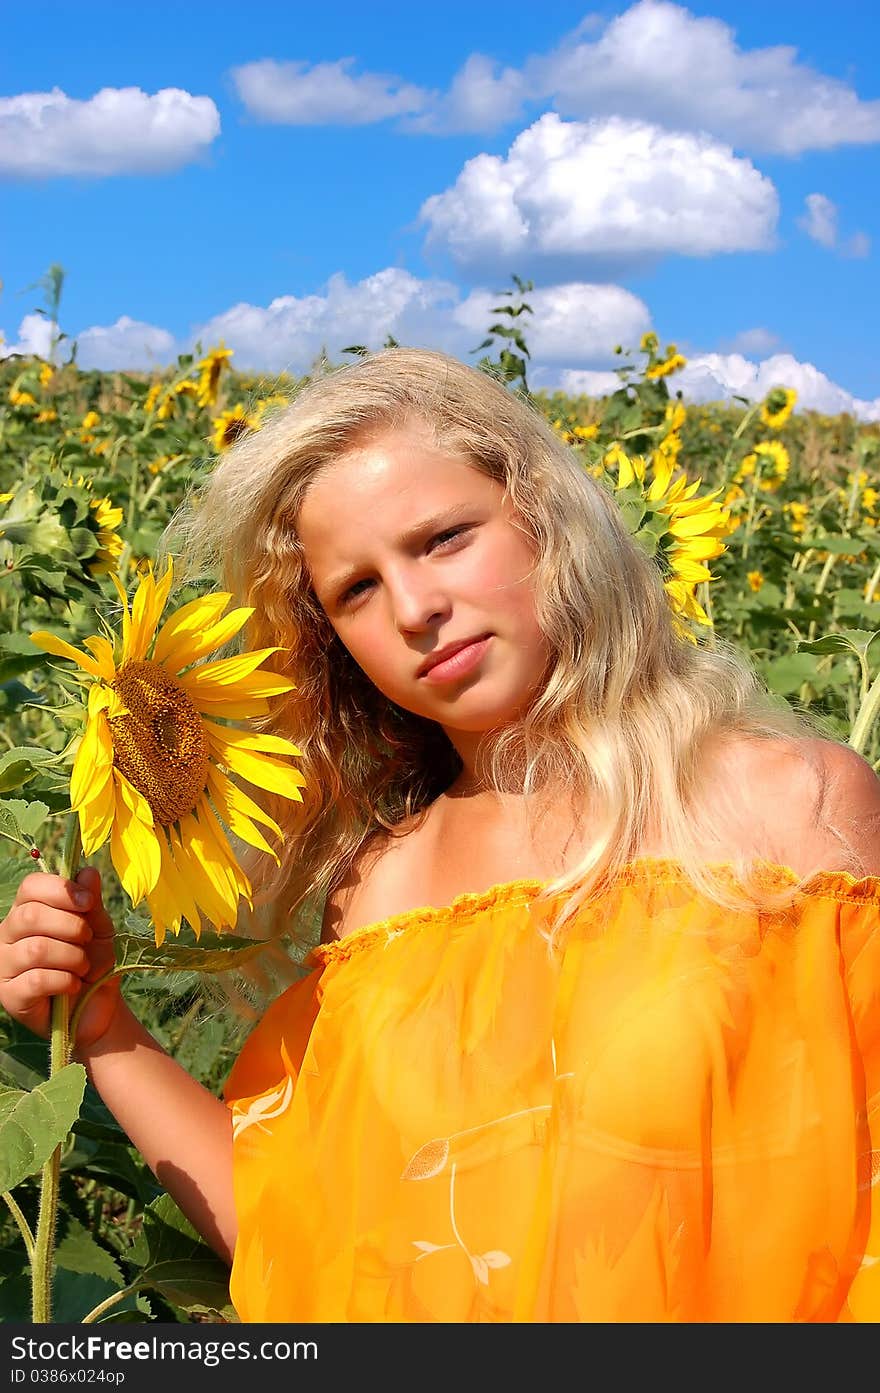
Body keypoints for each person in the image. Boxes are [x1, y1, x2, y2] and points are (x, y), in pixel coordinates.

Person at [1, 347, 879, 1323]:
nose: (416, 609)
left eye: (444, 538)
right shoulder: (381, 888)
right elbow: (309, 1229)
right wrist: (105, 1027)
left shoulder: (795, 811)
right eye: (357, 591)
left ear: (546, 517)